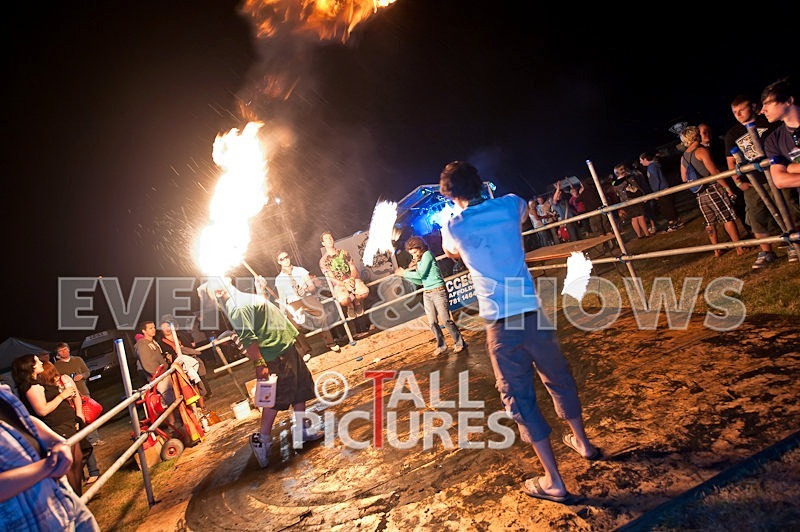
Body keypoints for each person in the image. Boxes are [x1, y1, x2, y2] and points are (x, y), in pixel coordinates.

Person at [438, 161, 599, 503]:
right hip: (533, 314)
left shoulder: (454, 223)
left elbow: (450, 251)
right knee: (558, 377)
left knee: (520, 399)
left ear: (452, 195)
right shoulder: (510, 204)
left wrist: (456, 209)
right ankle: (583, 443)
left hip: (500, 323)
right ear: (481, 183)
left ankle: (554, 481)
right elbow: (523, 215)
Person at [197, 276, 323, 468]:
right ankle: (262, 439)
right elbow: (248, 338)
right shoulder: (237, 306)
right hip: (275, 354)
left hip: (285, 345)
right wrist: (260, 364)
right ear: (220, 292)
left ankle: (301, 430)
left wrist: (260, 289)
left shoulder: (241, 299)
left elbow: (259, 318)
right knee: (277, 397)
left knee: (300, 388)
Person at [0, 382, 100, 531]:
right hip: (27, 522)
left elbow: (24, 420)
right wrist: (46, 467)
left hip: (62, 502)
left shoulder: (3, 393)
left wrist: (56, 441)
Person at [724, 94, 785, 268]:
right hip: (752, 182)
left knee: (787, 208)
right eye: (735, 112)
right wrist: (737, 183)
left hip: (776, 174)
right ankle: (767, 252)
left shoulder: (768, 122)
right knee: (756, 216)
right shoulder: (733, 133)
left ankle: (792, 243)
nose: (738, 114)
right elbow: (730, 162)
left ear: (752, 106)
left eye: (741, 110)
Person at [11, 355, 86, 495]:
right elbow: (42, 410)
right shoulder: (31, 387)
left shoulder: (37, 383)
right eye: (36, 360)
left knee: (77, 459)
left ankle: (78, 496)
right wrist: (62, 396)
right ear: (30, 366)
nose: (40, 362)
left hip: (65, 423)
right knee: (69, 464)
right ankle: (75, 499)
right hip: (56, 427)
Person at [395, 236, 466, 356]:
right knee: (432, 322)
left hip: (438, 291)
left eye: (415, 252)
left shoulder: (427, 255)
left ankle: (459, 342)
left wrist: (405, 273)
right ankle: (441, 346)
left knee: (446, 320)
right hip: (427, 293)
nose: (414, 255)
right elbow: (420, 281)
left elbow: (421, 274)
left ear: (421, 248)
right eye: (412, 254)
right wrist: (406, 275)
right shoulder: (419, 260)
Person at [679, 125, 744, 257]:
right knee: (727, 217)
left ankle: (716, 250)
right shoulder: (701, 151)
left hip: (700, 193)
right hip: (713, 188)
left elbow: (684, 178)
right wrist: (727, 187)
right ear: (696, 136)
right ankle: (739, 248)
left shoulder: (684, 157)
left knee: (710, 222)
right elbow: (714, 171)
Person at [275, 250, 342, 355]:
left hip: (307, 298)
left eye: (286, 257)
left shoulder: (300, 270)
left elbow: (312, 286)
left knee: (322, 315)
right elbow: (282, 298)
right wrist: (282, 313)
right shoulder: (279, 279)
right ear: (279, 262)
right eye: (282, 259)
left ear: (289, 257)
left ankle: (330, 343)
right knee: (294, 327)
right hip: (293, 302)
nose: (285, 260)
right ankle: (307, 351)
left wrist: (305, 289)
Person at [54, 342, 103, 451]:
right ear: (58, 353)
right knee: (77, 418)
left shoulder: (77, 360)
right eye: (61, 351)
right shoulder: (57, 366)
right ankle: (84, 441)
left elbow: (87, 372)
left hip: (83, 392)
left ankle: (95, 439)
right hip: (70, 396)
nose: (64, 352)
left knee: (89, 415)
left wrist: (82, 376)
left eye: (65, 349)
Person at [319, 230, 370, 319]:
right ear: (323, 243)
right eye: (326, 239)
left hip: (351, 279)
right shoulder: (323, 261)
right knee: (344, 301)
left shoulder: (344, 252)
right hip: (339, 284)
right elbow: (331, 278)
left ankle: (357, 303)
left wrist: (351, 279)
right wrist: (344, 284)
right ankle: (350, 306)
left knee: (365, 292)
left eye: (330, 238)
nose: (329, 240)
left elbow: (352, 267)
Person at [157, 319, 212, 400]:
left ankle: (207, 392)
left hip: (190, 358)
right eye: (164, 327)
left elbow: (189, 344)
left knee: (200, 375)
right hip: (179, 363)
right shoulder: (161, 342)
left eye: (168, 326)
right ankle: (197, 397)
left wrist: (185, 349)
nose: (167, 329)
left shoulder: (180, 335)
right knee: (189, 380)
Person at [639, 151, 683, 232]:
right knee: (669, 206)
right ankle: (677, 222)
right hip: (664, 189)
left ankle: (672, 224)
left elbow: (655, 180)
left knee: (666, 208)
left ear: (645, 159)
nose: (640, 162)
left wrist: (656, 192)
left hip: (661, 190)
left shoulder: (651, 167)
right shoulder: (655, 165)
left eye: (641, 160)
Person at [612, 163, 650, 238]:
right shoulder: (629, 178)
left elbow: (617, 194)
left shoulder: (615, 183)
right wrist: (643, 196)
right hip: (635, 199)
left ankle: (639, 235)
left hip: (625, 203)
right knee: (640, 217)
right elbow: (637, 187)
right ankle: (647, 234)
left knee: (634, 219)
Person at [134, 320, 166, 385]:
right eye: (150, 328)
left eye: (154, 327)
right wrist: (157, 375)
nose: (153, 330)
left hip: (163, 375)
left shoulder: (153, 342)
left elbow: (158, 358)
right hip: (157, 379)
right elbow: (148, 365)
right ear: (144, 331)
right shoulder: (142, 345)